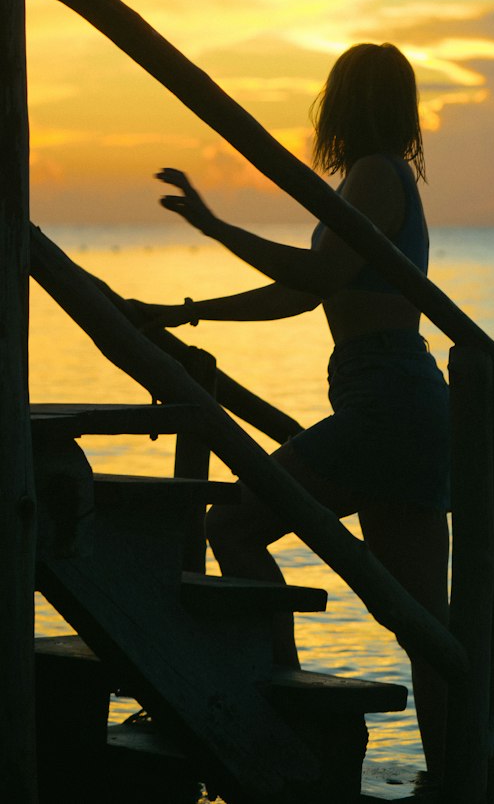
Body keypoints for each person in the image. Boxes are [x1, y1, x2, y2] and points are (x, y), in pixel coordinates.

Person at [130, 42, 449, 779]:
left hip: (385, 406)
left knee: (236, 526)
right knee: (425, 626)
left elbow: (317, 273)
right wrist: (186, 311)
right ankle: (455, 778)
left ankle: (285, 694)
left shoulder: (372, 175)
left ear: (346, 104)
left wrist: (214, 228)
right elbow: (305, 295)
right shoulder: (374, 179)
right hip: (402, 405)